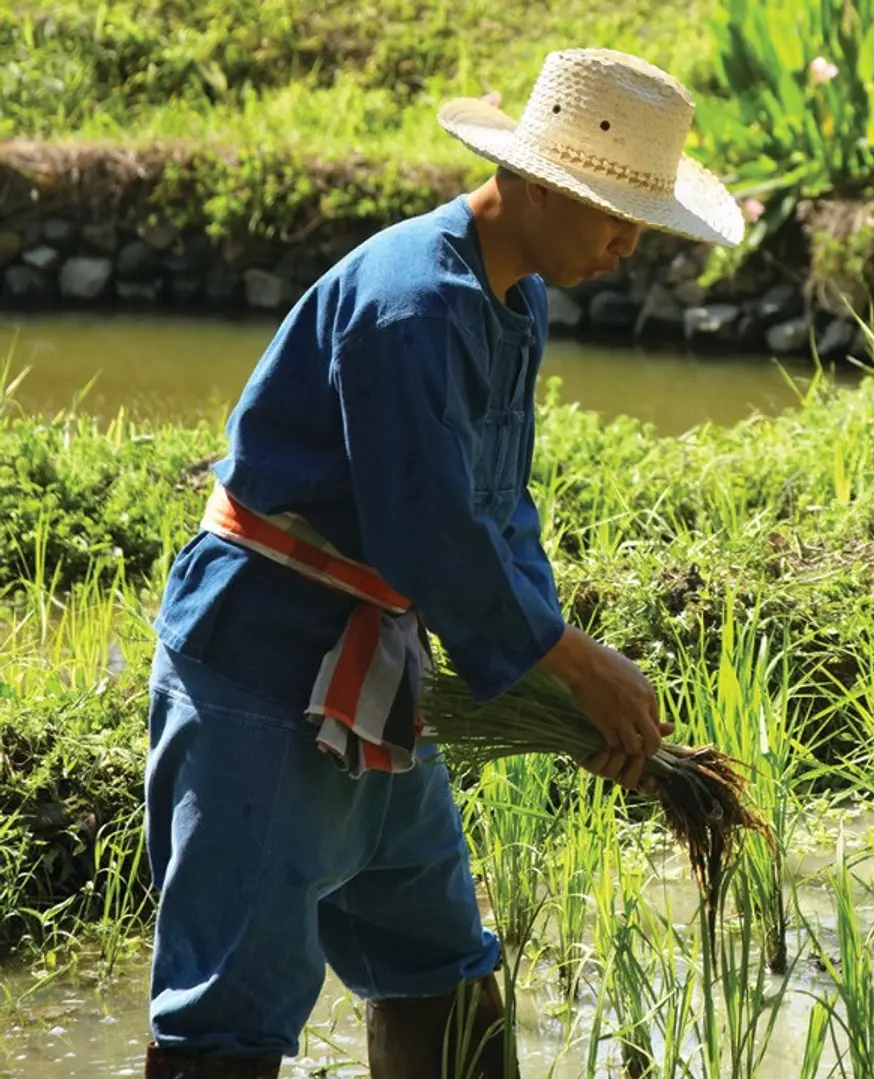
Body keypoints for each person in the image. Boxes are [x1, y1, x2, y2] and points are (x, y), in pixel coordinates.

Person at [140, 49, 743, 1079]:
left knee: (443, 973)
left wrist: (561, 673)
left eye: (640, 219)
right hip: (268, 667)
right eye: (614, 213)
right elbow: (427, 531)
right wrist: (575, 661)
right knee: (226, 1022)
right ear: (541, 183)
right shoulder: (412, 303)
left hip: (377, 682)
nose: (627, 243)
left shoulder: (515, 299)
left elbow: (499, 509)